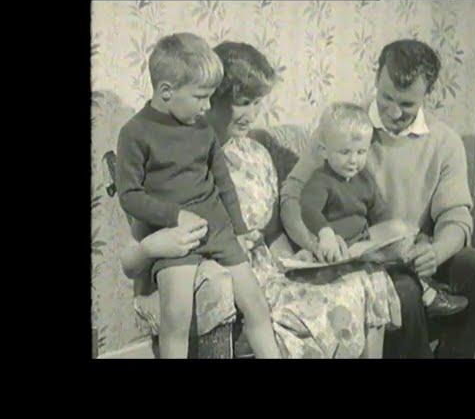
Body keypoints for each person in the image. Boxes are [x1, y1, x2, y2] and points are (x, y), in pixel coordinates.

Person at [120, 41, 402, 358]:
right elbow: (139, 239)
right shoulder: (167, 148)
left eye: (258, 103)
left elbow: (270, 231)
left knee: (360, 282)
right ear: (215, 98)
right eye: (244, 102)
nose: (253, 114)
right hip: (206, 270)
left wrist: (304, 252)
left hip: (261, 268)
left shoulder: (253, 152)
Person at [281, 39, 475, 358]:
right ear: (376, 79)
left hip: (417, 254)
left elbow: (456, 217)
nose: (394, 112)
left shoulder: (445, 142)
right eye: (386, 98)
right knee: (404, 291)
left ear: (429, 95)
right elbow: (292, 195)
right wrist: (315, 244)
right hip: (364, 259)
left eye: (407, 104)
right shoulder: (344, 130)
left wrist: (437, 252)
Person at [115, 33, 280, 358]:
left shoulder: (202, 131)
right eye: (201, 97)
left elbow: (224, 186)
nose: (207, 107)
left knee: (257, 305)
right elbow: (130, 196)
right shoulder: (134, 133)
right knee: (175, 320)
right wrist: (174, 217)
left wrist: (240, 230)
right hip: (175, 236)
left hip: (218, 229)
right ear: (166, 92)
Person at [300, 101, 468, 317]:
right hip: (340, 248)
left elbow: (380, 213)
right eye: (344, 153)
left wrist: (402, 236)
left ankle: (424, 284)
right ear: (324, 151)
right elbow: (308, 209)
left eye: (361, 152)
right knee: (393, 255)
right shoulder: (321, 181)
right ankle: (428, 295)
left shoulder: (363, 179)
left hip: (362, 241)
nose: (353, 160)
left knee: (400, 231)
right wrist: (325, 234)